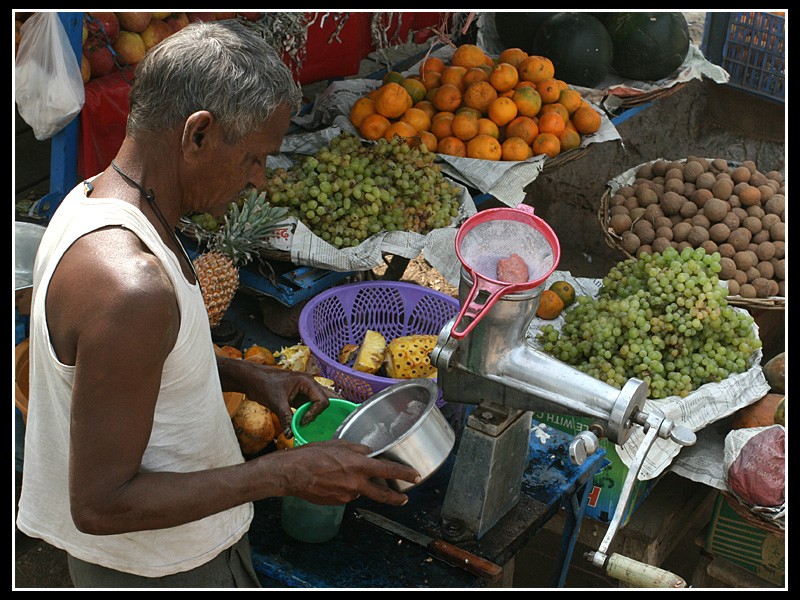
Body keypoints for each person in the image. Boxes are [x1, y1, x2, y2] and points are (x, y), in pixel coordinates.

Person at [16, 20, 420, 589]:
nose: (258, 180)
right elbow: (101, 504)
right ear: (198, 134)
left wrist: (239, 374)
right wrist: (282, 473)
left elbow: (118, 371)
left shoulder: (93, 199)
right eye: (254, 158)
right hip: (159, 570)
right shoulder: (131, 286)